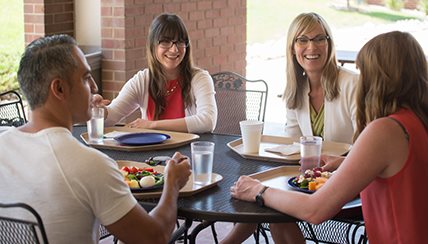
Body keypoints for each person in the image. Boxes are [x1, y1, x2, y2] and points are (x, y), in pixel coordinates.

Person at [230, 31, 428, 243]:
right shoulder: (417, 120)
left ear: (377, 78)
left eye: (363, 72)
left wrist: (259, 191)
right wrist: (348, 162)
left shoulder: (386, 130)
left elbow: (315, 211)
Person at [0, 34, 191, 243]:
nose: (94, 87)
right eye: (85, 77)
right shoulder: (90, 165)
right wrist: (172, 184)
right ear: (59, 89)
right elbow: (154, 238)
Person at [221, 12, 358, 244]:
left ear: (329, 43)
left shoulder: (353, 84)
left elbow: (366, 147)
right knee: (260, 191)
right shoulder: (295, 90)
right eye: (302, 40)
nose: (311, 46)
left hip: (348, 181)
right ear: (293, 47)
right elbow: (294, 146)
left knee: (268, 197)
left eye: (319, 39)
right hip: (310, 180)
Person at [95, 13, 217, 133]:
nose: (174, 49)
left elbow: (208, 121)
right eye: (165, 42)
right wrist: (99, 111)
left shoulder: (199, 78)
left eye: (180, 42)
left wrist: (152, 125)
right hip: (151, 152)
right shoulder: (142, 80)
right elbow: (111, 116)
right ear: (153, 45)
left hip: (187, 151)